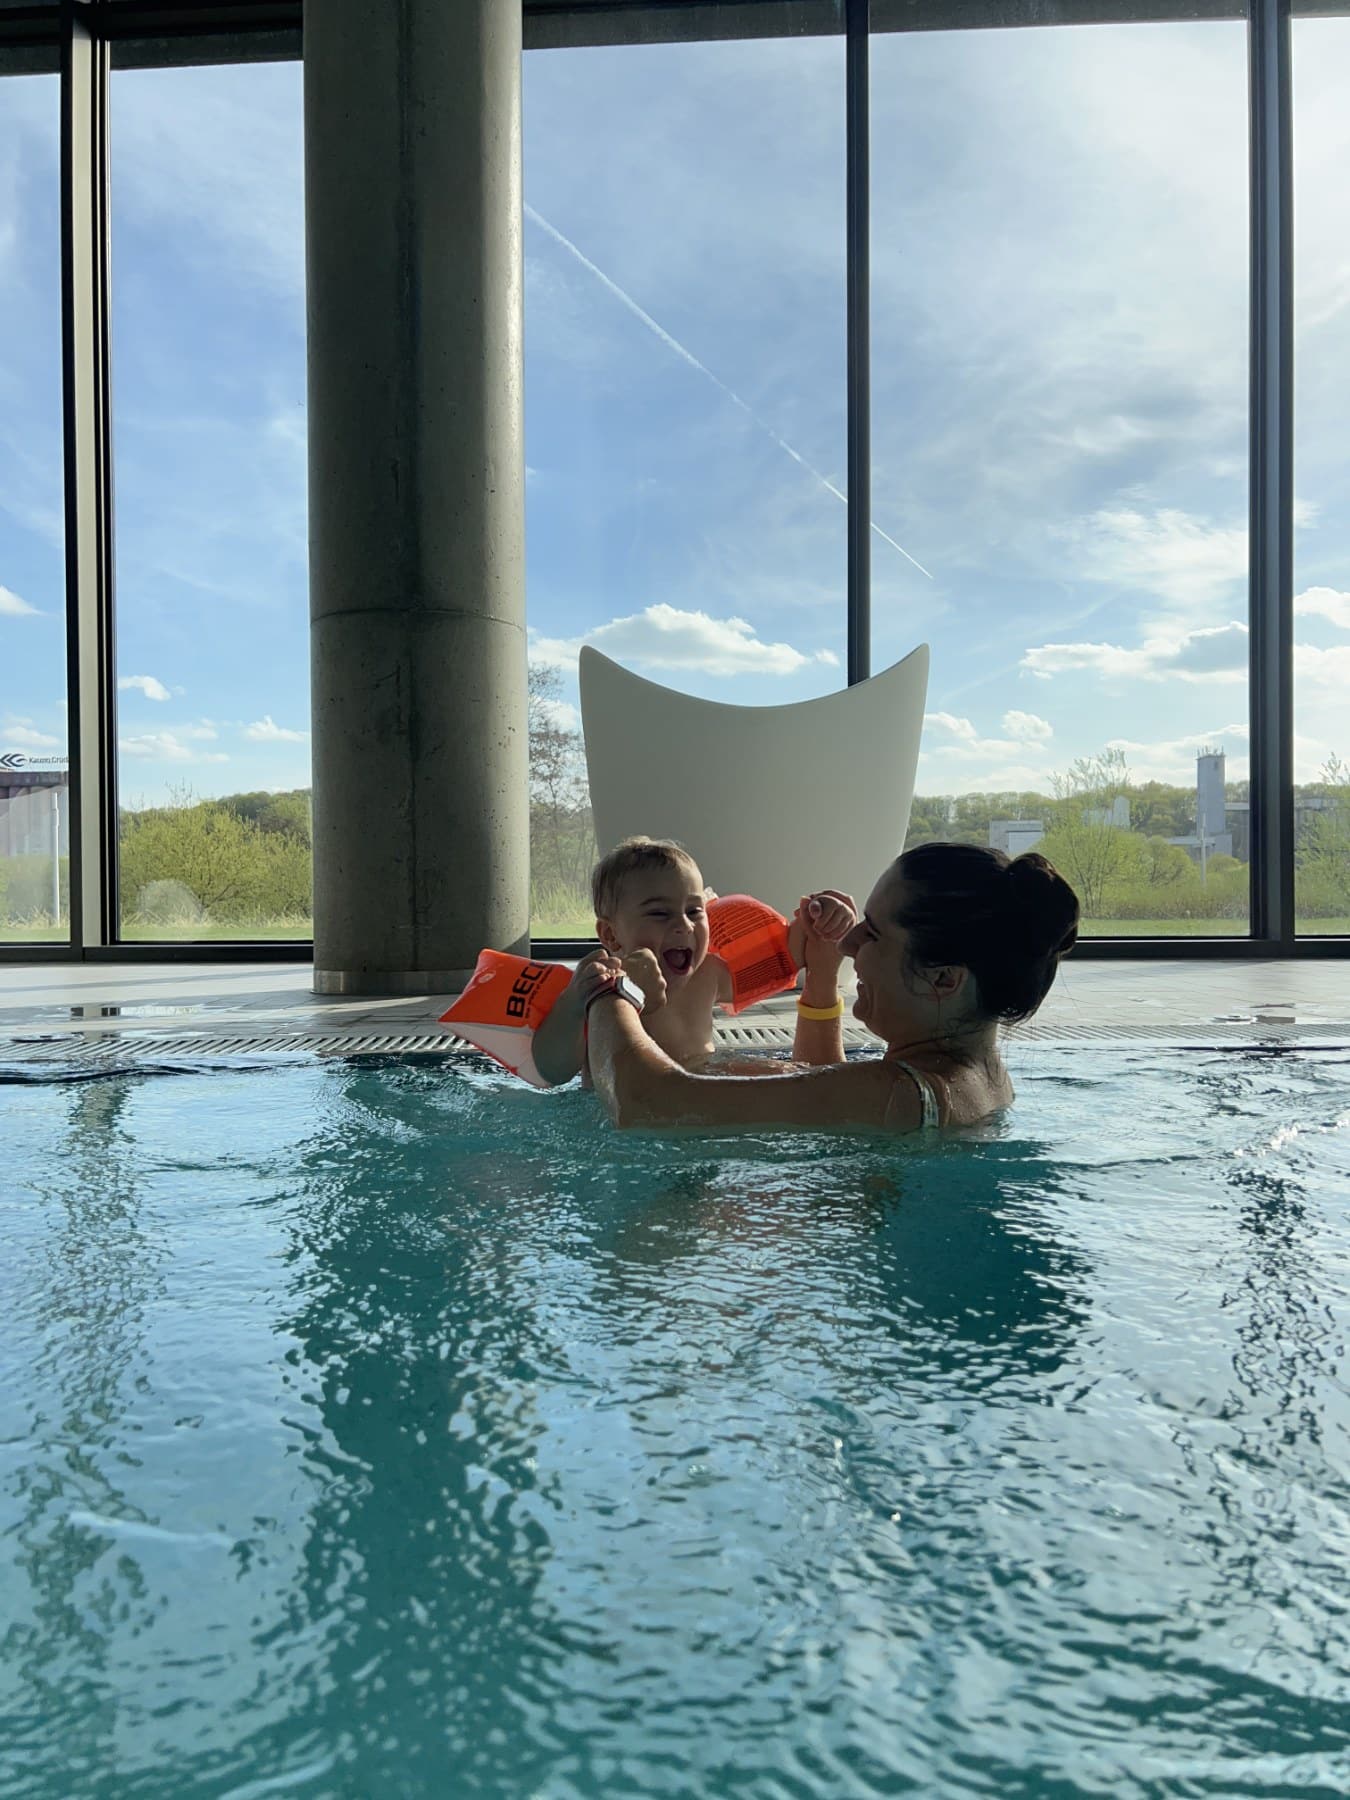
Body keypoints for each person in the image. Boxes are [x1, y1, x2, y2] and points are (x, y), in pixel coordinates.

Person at [582, 843, 1080, 1133]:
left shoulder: (894, 1093)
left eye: (873, 932)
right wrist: (820, 978)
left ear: (944, 979)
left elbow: (646, 1107)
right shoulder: (976, 1080)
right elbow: (821, 1085)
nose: (849, 943)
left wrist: (612, 990)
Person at [531, 836, 848, 1087]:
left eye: (694, 911)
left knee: (799, 1079)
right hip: (625, 1108)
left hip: (697, 1094)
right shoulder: (601, 983)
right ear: (611, 935)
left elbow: (799, 949)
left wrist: (825, 914)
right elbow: (552, 1070)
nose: (683, 925)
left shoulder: (708, 973)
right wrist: (575, 1002)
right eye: (659, 913)